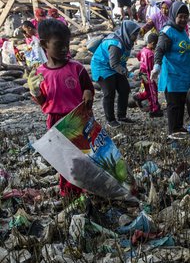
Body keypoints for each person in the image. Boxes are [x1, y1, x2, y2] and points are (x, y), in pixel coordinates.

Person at [27, 19, 94, 197]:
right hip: (55, 120)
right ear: (44, 44)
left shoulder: (77, 68)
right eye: (59, 45)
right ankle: (68, 191)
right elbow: (42, 101)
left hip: (77, 117)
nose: (65, 49)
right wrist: (35, 91)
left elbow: (88, 87)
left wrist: (88, 93)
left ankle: (84, 187)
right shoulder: (40, 74)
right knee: (63, 158)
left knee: (81, 155)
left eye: (67, 44)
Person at [151, 1, 190, 140]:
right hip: (173, 74)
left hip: (184, 74)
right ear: (173, 15)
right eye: (180, 16)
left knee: (182, 102)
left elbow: (183, 50)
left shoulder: (182, 31)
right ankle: (173, 130)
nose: (183, 19)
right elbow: (159, 49)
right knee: (174, 104)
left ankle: (179, 126)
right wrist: (157, 66)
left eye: (185, 16)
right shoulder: (168, 31)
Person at [91, 21, 140, 128]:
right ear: (128, 32)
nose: (136, 37)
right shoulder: (115, 44)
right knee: (109, 92)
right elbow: (114, 64)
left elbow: (121, 61)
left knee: (124, 88)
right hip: (102, 66)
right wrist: (130, 75)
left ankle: (122, 116)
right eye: (134, 34)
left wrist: (125, 71)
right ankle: (110, 119)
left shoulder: (127, 42)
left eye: (137, 34)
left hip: (114, 66)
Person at [133, 33, 162, 117]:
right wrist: (152, 78)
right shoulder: (150, 54)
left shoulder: (143, 50)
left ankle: (139, 97)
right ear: (153, 43)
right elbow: (150, 67)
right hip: (148, 75)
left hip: (142, 73)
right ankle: (154, 110)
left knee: (146, 89)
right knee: (153, 90)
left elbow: (138, 57)